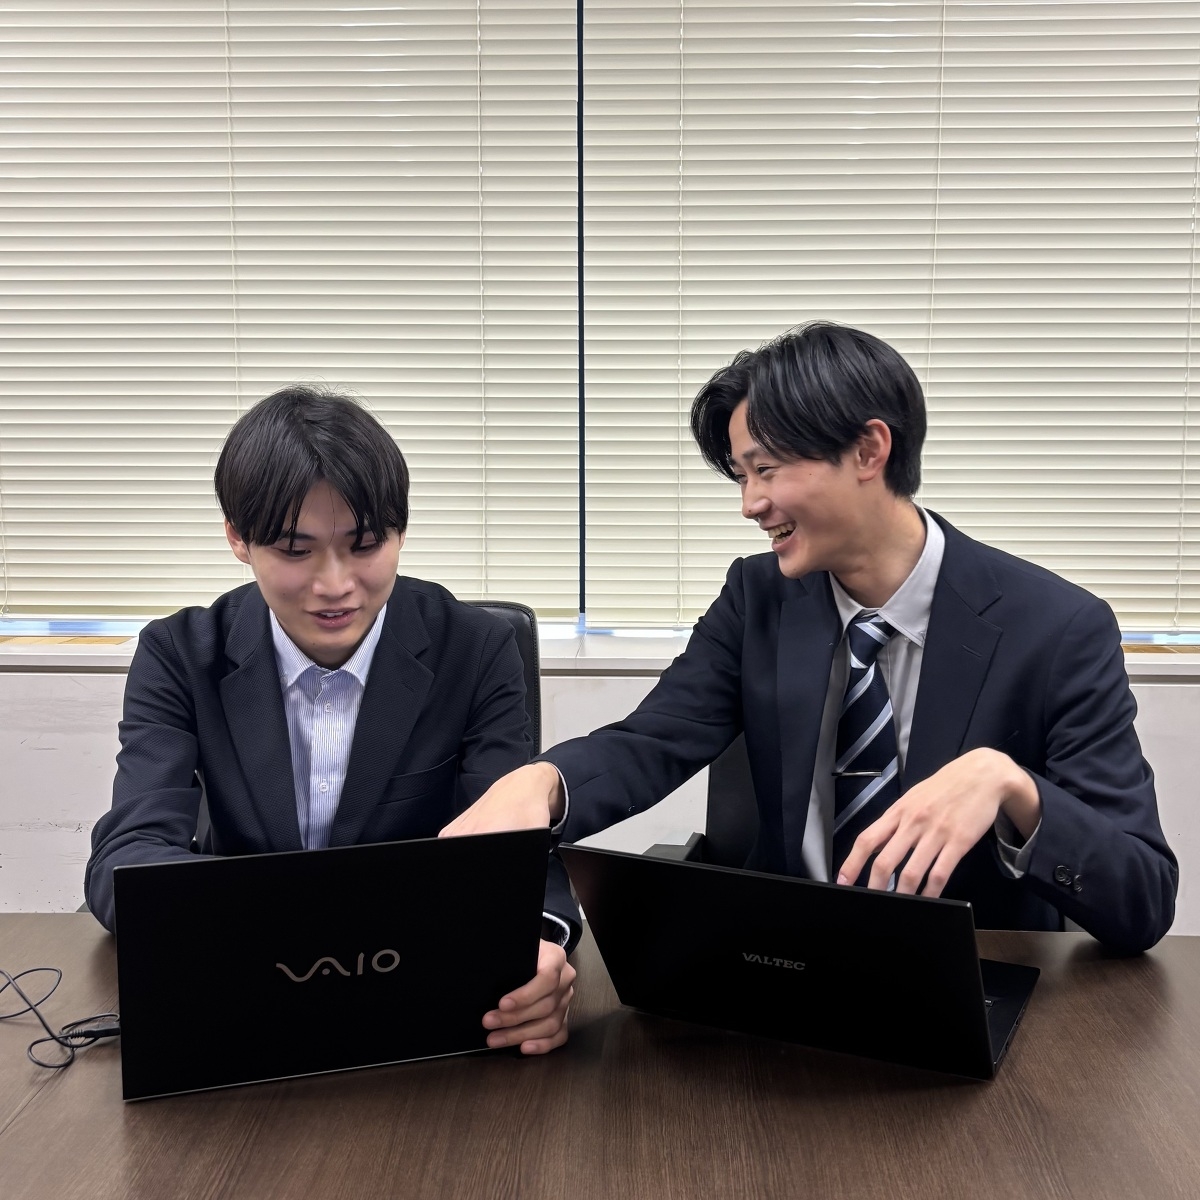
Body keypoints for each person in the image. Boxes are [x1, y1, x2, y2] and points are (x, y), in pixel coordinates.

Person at [443, 321, 1178, 955]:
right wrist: (545, 783)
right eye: (740, 476)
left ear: (868, 451)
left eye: (766, 469)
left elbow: (1143, 898)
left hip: (972, 976)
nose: (750, 504)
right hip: (785, 967)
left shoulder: (1057, 628)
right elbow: (655, 739)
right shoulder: (757, 596)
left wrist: (1012, 786)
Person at [85, 385, 577, 1054]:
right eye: (296, 550)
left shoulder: (475, 648)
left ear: (400, 531)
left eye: (365, 544)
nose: (336, 584)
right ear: (238, 537)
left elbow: (516, 854)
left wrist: (541, 947)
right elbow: (129, 857)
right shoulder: (180, 655)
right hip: (249, 1006)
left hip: (426, 1009)